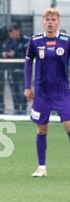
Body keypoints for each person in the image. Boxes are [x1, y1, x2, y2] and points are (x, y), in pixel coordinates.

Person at [24, 7, 70, 178]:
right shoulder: (35, 41)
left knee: (69, 126)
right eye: (47, 19)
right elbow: (28, 63)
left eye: (53, 19)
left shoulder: (66, 41)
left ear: (58, 22)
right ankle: (41, 167)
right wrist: (27, 87)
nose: (50, 22)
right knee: (42, 129)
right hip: (42, 94)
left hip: (62, 92)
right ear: (43, 22)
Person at [0, 24, 29, 114]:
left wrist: (15, 53)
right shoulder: (7, 41)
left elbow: (27, 52)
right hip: (11, 69)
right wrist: (3, 54)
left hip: (23, 70)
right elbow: (1, 51)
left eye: (14, 32)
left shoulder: (26, 40)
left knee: (23, 90)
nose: (12, 35)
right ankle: (16, 109)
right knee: (14, 90)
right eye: (11, 33)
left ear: (18, 31)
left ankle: (23, 109)